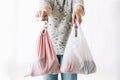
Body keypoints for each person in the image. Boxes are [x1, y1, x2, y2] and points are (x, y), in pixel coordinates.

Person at [36, 0, 85, 80]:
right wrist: (44, 12)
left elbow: (79, 5)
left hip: (69, 51)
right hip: (49, 50)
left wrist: (77, 12)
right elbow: (46, 5)